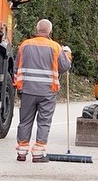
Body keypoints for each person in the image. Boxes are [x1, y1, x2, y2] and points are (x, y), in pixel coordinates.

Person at [14, 19, 72, 163]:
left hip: (27, 90)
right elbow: (64, 66)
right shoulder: (55, 47)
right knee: (44, 122)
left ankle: (22, 152)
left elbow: (16, 67)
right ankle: (38, 154)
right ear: (50, 31)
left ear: (36, 29)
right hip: (47, 92)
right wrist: (67, 54)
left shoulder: (24, 45)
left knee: (25, 121)